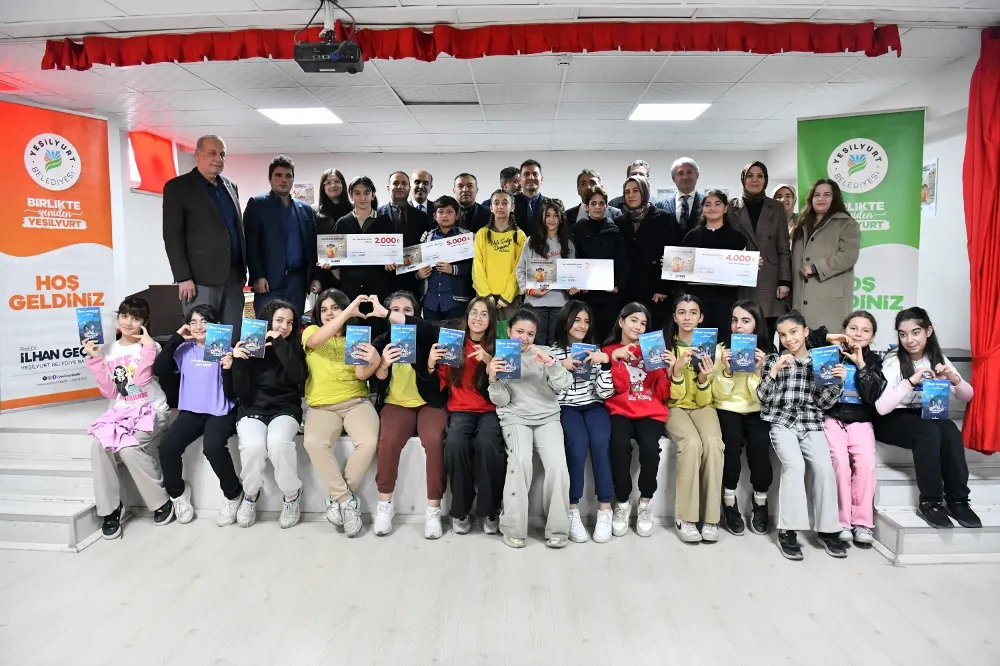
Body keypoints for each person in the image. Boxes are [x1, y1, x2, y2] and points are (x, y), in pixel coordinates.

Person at [874, 307, 980, 529]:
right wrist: (910, 381)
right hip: (891, 418)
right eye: (903, 335)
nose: (910, 340)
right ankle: (930, 502)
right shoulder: (893, 361)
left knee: (950, 430)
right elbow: (881, 408)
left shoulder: (937, 358)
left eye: (916, 332)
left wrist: (952, 378)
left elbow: (968, 395)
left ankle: (958, 500)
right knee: (928, 431)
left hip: (924, 415)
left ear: (928, 331)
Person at [757, 311, 847, 560]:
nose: (789, 339)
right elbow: (763, 397)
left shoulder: (820, 361)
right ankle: (788, 530)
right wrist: (774, 371)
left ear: (806, 332)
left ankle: (828, 530)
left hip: (811, 422)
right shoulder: (774, 359)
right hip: (782, 421)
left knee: (824, 468)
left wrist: (837, 383)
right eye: (783, 335)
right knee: (795, 466)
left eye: (793, 332)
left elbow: (824, 403)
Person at [83, 297, 173, 538]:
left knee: (129, 448)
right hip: (121, 414)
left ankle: (160, 501)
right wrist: (95, 359)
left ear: (144, 322)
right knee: (98, 447)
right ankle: (110, 509)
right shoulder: (107, 350)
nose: (128, 323)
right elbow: (110, 392)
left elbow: (141, 380)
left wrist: (148, 348)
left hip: (151, 410)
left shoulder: (151, 347)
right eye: (124, 316)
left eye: (135, 318)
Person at [487, 308, 574, 549]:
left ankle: (558, 529)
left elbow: (563, 385)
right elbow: (501, 400)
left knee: (558, 466)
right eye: (519, 332)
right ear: (509, 331)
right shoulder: (501, 356)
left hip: (547, 416)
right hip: (515, 417)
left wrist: (552, 364)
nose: (524, 338)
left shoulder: (544, 353)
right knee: (520, 461)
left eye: (530, 334)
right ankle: (513, 527)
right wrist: (493, 378)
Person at [152, 305, 243, 527]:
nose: (198, 326)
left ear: (216, 326)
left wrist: (229, 368)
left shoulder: (227, 350)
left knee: (212, 446)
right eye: (193, 322)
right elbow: (159, 368)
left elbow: (234, 393)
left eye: (204, 321)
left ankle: (233, 494)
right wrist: (176, 338)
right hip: (192, 411)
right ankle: (178, 493)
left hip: (221, 411)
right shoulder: (184, 350)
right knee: (168, 446)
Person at [301, 291, 381, 538]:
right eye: (324, 309)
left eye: (335, 308)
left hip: (356, 401)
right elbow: (315, 342)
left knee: (368, 441)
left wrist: (374, 360)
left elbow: (360, 375)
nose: (329, 313)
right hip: (321, 405)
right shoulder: (311, 331)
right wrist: (345, 313)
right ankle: (346, 500)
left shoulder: (356, 336)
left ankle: (336, 501)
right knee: (313, 442)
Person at [369, 292, 449, 539]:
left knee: (434, 440)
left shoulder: (427, 334)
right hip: (396, 403)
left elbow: (435, 378)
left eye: (407, 310)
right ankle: (385, 505)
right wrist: (383, 364)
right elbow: (377, 382)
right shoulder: (382, 340)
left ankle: (433, 510)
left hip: (429, 402)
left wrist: (429, 363)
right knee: (389, 441)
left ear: (416, 315)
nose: (400, 314)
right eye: (395, 310)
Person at [228, 299, 307, 530]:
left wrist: (280, 343)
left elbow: (300, 378)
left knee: (278, 443)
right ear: (267, 320)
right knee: (253, 446)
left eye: (290, 322)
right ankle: (250, 495)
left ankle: (291, 495)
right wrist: (238, 363)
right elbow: (240, 392)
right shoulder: (250, 344)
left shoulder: (293, 346)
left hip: (285, 408)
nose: (284, 326)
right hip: (252, 408)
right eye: (279, 320)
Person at [162, 135, 246, 340]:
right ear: (198, 155)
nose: (219, 158)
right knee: (201, 338)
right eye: (213, 153)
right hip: (200, 281)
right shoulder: (178, 187)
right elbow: (172, 235)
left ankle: (228, 365)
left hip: (233, 278)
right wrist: (183, 277)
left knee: (231, 337)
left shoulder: (230, 187)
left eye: (222, 154)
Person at [434, 297, 506, 534]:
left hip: (489, 409)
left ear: (491, 320)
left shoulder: (499, 346)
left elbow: (507, 386)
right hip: (460, 409)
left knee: (489, 444)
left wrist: (489, 362)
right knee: (455, 444)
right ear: (466, 316)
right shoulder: (453, 342)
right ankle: (461, 509)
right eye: (474, 312)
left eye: (484, 314)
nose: (478, 318)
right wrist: (432, 363)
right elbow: (441, 381)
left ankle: (490, 509)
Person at [817, 310, 886, 546]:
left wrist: (861, 365)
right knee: (838, 461)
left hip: (861, 421)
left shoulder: (875, 360)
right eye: (853, 328)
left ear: (872, 336)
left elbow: (872, 395)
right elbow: (808, 336)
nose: (858, 334)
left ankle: (862, 523)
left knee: (866, 464)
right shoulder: (831, 353)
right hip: (833, 418)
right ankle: (842, 521)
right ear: (844, 329)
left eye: (865, 330)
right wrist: (832, 339)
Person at [603, 302, 671, 538]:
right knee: (619, 444)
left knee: (651, 447)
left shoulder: (652, 350)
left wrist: (667, 371)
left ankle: (645, 502)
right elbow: (619, 388)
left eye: (643, 323)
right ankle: (622, 502)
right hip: (620, 411)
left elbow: (662, 394)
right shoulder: (609, 351)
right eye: (634, 320)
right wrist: (616, 360)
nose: (639, 327)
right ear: (621, 321)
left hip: (650, 412)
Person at [550, 300, 615, 543]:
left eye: (586, 321)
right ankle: (572, 509)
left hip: (593, 405)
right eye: (576, 320)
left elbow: (605, 393)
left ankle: (605, 509)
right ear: (565, 321)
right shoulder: (552, 352)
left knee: (601, 441)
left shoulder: (595, 350)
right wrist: (561, 367)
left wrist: (604, 365)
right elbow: (552, 392)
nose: (582, 325)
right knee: (576, 443)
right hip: (566, 407)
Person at [665, 295, 725, 544]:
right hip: (674, 407)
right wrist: (677, 371)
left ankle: (711, 518)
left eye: (693, 312)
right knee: (690, 443)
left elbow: (705, 399)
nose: (687, 317)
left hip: (703, 406)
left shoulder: (714, 349)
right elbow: (672, 396)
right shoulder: (666, 348)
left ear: (701, 318)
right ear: (674, 317)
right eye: (682, 312)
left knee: (713, 443)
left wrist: (702, 379)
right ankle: (686, 518)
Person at [712, 300, 773, 536]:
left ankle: (760, 502)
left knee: (760, 444)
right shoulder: (721, 351)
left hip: (756, 408)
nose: (739, 326)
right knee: (731, 444)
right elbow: (718, 395)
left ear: (757, 325)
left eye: (746, 321)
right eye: (735, 320)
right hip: (728, 407)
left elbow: (762, 397)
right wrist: (727, 372)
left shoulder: (766, 353)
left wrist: (757, 371)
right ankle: (729, 501)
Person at [244, 154, 318, 312]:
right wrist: (257, 275)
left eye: (288, 176)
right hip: (268, 282)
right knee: (269, 324)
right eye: (278, 175)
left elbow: (312, 247)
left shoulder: (305, 209)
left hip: (297, 283)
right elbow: (250, 244)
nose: (283, 180)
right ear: (270, 179)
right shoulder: (257, 204)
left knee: (294, 323)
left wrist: (314, 277)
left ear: (293, 179)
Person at [675, 189, 747, 345]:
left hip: (726, 299)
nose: (712, 208)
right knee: (699, 343)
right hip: (697, 299)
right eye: (707, 204)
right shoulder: (692, 236)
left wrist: (752, 265)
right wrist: (671, 264)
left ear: (726, 208)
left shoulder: (737, 238)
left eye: (717, 204)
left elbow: (743, 270)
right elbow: (681, 267)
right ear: (702, 209)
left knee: (723, 341)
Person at [728, 161, 791, 334]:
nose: (755, 180)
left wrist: (784, 281)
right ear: (743, 179)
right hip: (740, 278)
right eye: (750, 176)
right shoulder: (730, 206)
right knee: (742, 330)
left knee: (766, 333)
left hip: (769, 279)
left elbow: (783, 247)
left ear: (765, 180)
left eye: (760, 176)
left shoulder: (776, 207)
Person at [791, 179, 861, 333]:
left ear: (834, 198)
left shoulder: (846, 223)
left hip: (829, 303)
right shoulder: (802, 225)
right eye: (816, 195)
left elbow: (849, 255)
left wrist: (816, 267)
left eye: (826, 195)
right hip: (800, 302)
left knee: (827, 344)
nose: (821, 199)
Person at [618, 174, 681, 328]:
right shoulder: (620, 221)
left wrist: (664, 288)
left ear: (644, 192)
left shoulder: (664, 218)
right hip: (628, 291)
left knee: (653, 335)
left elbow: (674, 255)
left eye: (636, 190)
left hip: (655, 291)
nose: (631, 195)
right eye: (627, 192)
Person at [571, 185, 628, 343]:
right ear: (586, 206)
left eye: (601, 203)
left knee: (607, 337)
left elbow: (621, 262)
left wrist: (617, 284)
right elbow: (574, 259)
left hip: (608, 296)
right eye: (593, 203)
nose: (597, 207)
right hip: (585, 296)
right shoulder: (577, 229)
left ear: (607, 206)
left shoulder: (614, 230)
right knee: (586, 337)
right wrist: (578, 282)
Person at [515, 198, 575, 345]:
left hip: (560, 303)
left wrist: (572, 286)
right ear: (542, 218)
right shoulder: (531, 241)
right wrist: (530, 291)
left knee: (556, 344)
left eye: (555, 215)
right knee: (536, 344)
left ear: (561, 218)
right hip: (535, 303)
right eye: (548, 215)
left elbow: (572, 274)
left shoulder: (568, 244)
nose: (551, 219)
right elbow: (520, 270)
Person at [334, 175, 396, 302]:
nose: (362, 198)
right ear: (351, 196)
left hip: (378, 288)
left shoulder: (384, 221)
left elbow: (393, 254)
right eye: (357, 193)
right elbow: (335, 257)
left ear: (373, 195)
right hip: (350, 289)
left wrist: (391, 262)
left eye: (366, 193)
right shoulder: (342, 223)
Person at [418, 195, 474, 322]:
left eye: (449, 212)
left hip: (456, 301)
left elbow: (475, 267)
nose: (445, 215)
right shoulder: (427, 238)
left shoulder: (466, 237)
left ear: (457, 215)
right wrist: (419, 275)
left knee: (455, 334)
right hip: (431, 302)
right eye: (441, 212)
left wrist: (453, 269)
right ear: (434, 216)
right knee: (431, 333)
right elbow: (415, 266)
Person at [473, 189, 526, 321]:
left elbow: (519, 268)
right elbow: (477, 267)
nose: (500, 206)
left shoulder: (520, 235)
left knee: (510, 332)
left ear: (512, 207)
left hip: (511, 299)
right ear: (491, 208)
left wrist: (507, 297)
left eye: (505, 203)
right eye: (496, 203)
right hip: (485, 297)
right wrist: (486, 295)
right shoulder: (482, 234)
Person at [378, 171, 430, 300]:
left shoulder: (421, 217)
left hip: (413, 281)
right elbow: (372, 247)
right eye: (395, 183)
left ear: (409, 187)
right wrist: (383, 260)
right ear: (388, 187)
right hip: (384, 281)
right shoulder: (377, 215)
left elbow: (426, 246)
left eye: (404, 183)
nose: (400, 186)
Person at [313, 168, 351, 293]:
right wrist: (317, 277)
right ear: (322, 187)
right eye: (328, 183)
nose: (333, 185)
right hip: (325, 273)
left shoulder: (354, 209)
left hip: (351, 272)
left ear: (343, 184)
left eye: (336, 181)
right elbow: (312, 245)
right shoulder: (314, 212)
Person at [660, 157, 703, 235]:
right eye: (680, 173)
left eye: (689, 172)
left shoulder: (706, 203)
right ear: (673, 178)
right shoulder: (661, 205)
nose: (685, 177)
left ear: (697, 175)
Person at [513, 159, 545, 237]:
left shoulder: (550, 205)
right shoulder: (510, 203)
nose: (531, 177)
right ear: (520, 180)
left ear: (541, 179)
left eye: (535, 174)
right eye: (526, 174)